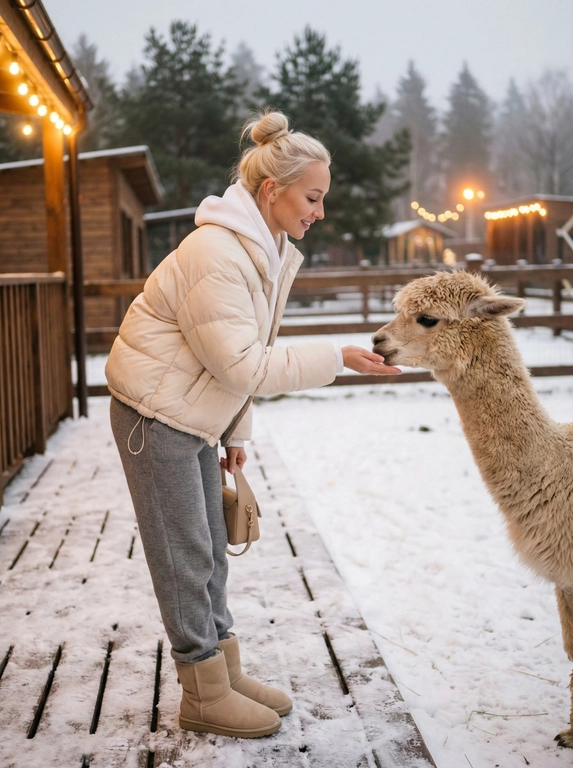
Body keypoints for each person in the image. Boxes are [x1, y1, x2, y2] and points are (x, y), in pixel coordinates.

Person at [105, 110, 401, 740]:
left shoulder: (260, 247)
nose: (319, 211)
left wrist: (234, 436)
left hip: (191, 415)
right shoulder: (217, 252)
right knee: (184, 555)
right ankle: (203, 694)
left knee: (211, 547)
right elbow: (242, 362)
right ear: (273, 191)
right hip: (153, 417)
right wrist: (337, 357)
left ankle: (225, 672)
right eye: (312, 197)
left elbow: (241, 349)